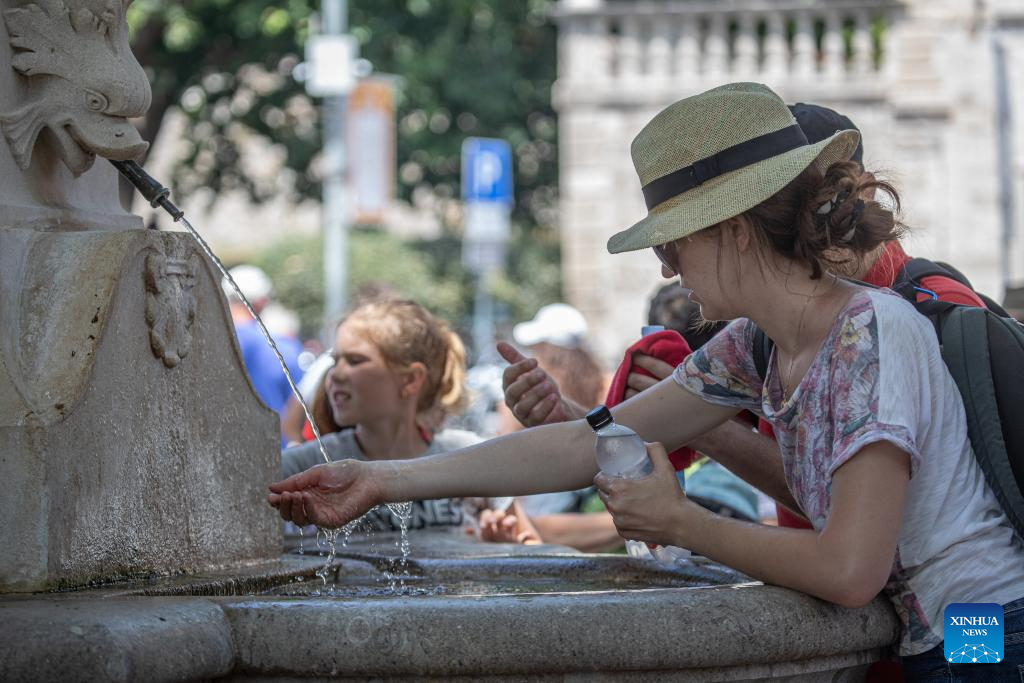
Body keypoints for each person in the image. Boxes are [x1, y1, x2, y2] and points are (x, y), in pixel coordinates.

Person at [268, 83, 1024, 678]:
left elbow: (851, 570)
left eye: (674, 241)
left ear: (732, 228)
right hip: (948, 629)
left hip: (987, 630)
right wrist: (378, 478)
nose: (665, 268)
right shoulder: (753, 344)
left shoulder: (871, 335)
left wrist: (683, 523)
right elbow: (586, 442)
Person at [280, 298, 490, 534]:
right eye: (335, 361)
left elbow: (527, 545)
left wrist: (502, 538)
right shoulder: (306, 467)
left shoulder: (465, 457)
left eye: (355, 361)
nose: (335, 374)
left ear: (410, 379)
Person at [224, 265, 305, 435]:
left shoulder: (208, 342)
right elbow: (301, 405)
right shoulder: (284, 347)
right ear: (262, 301)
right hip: (276, 451)